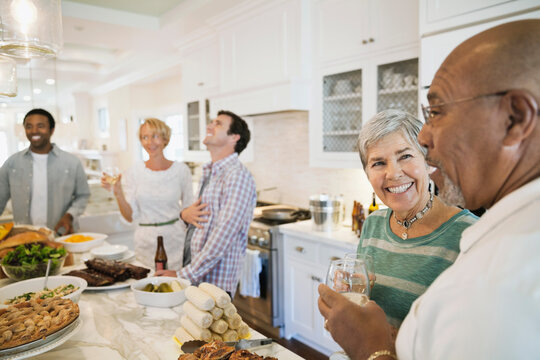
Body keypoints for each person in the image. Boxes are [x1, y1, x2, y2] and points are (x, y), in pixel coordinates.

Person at [318, 19, 540, 360]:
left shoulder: (509, 267)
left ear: (515, 118)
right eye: (377, 162)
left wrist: (373, 349)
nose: (425, 138)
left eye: (437, 111)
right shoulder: (379, 225)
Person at [355, 109, 477, 328]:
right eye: (378, 163)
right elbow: (366, 307)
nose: (393, 173)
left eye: (405, 156)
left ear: (428, 162)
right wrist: (351, 297)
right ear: (368, 173)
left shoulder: (469, 235)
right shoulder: (373, 224)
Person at [156, 110, 256, 296]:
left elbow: (223, 235)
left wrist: (183, 275)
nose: (209, 126)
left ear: (234, 137)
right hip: (196, 277)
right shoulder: (210, 171)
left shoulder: (237, 176)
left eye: (218, 124)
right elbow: (200, 220)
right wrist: (184, 214)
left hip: (213, 284)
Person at [102, 118, 193, 271]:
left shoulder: (181, 171)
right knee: (147, 286)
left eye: (155, 136)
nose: (150, 142)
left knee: (175, 288)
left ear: (165, 139)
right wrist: (118, 193)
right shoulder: (134, 172)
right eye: (145, 137)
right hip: (145, 242)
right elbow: (129, 216)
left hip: (175, 240)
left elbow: (189, 209)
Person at [0, 108, 90, 234]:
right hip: (25, 237)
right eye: (29, 126)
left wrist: (70, 215)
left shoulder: (72, 162)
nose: (34, 131)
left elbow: (83, 195)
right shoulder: (12, 163)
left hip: (61, 234)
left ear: (51, 130)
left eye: (40, 126)